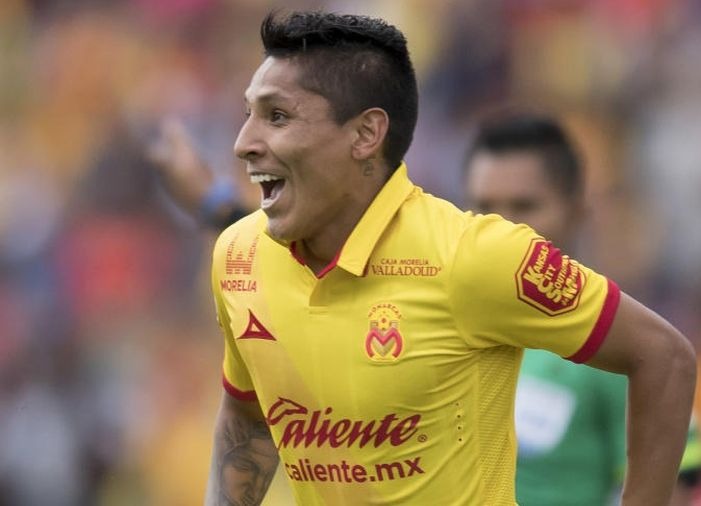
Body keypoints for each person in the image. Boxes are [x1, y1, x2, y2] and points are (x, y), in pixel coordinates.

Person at [205, 10, 695, 505]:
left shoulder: (473, 256)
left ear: (366, 134)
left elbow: (665, 358)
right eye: (249, 114)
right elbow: (247, 415)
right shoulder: (239, 256)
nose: (244, 144)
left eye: (277, 116)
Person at [462, 113, 628, 506]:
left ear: (577, 212)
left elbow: (675, 485)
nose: (501, 228)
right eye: (484, 207)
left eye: (524, 206)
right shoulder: (433, 324)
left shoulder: (621, 343)